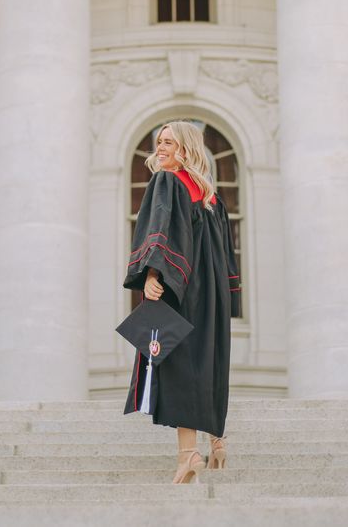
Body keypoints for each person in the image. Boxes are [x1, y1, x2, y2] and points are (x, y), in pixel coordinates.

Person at [123, 121, 241, 483]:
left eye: (168, 143)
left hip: (183, 286)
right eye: (159, 142)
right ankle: (217, 442)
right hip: (213, 292)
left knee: (179, 365)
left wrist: (153, 274)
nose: (160, 148)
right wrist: (229, 298)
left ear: (185, 149)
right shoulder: (212, 199)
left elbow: (160, 227)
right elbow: (227, 256)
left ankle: (189, 454)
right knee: (209, 361)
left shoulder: (167, 182)